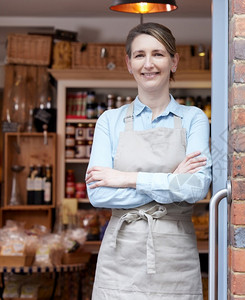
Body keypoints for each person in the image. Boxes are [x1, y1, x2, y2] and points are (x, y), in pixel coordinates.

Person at [85, 22, 212, 299]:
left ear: (174, 61)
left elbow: (197, 188)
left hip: (175, 258)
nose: (149, 64)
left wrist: (126, 178)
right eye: (140, 55)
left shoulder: (194, 119)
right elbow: (97, 193)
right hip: (119, 260)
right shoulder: (109, 121)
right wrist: (171, 181)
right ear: (129, 63)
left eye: (158, 54)